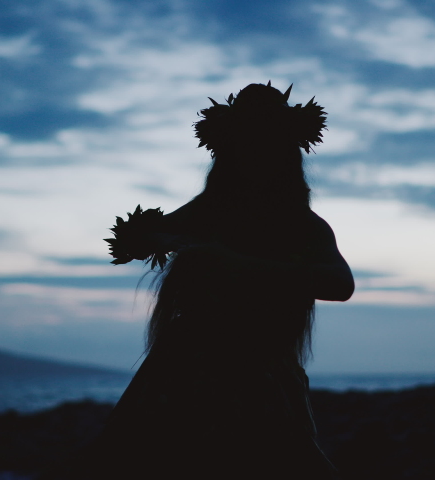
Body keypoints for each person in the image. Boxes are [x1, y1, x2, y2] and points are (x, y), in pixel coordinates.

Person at [93, 82, 354, 479]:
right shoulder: (206, 213)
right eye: (245, 146)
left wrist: (234, 264)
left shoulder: (304, 226)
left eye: (265, 146)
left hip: (260, 376)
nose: (254, 157)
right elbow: (136, 239)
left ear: (284, 154)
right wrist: (158, 238)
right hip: (184, 371)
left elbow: (340, 283)